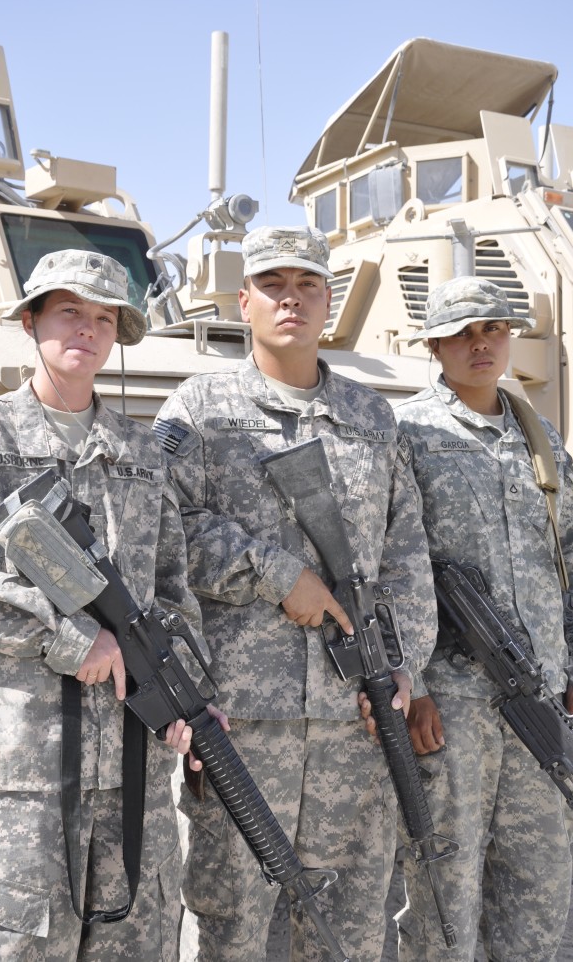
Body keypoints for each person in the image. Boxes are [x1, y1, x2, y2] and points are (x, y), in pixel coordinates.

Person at [154, 225, 437, 961]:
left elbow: (407, 557)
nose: (292, 300)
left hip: (358, 723)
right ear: (243, 301)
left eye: (308, 284)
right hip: (246, 725)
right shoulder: (199, 410)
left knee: (352, 927)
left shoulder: (373, 418)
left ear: (329, 301)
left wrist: (403, 672)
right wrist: (275, 574)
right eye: (274, 285)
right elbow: (159, 532)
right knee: (236, 928)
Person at [0, 249, 223, 961]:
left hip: (134, 782)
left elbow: (172, 594)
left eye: (103, 317)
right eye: (69, 310)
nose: (86, 330)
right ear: (31, 321)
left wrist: (189, 694)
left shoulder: (140, 451)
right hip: (23, 779)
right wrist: (68, 640)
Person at [389, 276, 573, 960]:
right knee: (444, 885)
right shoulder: (407, 432)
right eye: (463, 332)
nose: (480, 343)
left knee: (542, 883)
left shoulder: (539, 436)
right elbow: (391, 563)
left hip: (541, 695)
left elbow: (570, 555)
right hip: (454, 703)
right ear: (434, 344)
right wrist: (417, 685)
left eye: (493, 329)